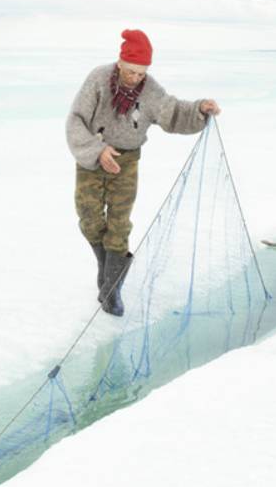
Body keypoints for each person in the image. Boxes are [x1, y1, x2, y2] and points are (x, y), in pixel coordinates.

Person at [66, 29, 221, 316]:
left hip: (127, 161)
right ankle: (106, 268)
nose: (136, 78)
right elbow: (76, 120)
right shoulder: (98, 79)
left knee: (119, 223)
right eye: (132, 71)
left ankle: (111, 290)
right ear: (121, 62)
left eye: (141, 73)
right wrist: (96, 151)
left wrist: (199, 109)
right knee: (88, 217)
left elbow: (174, 113)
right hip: (93, 155)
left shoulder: (150, 91)